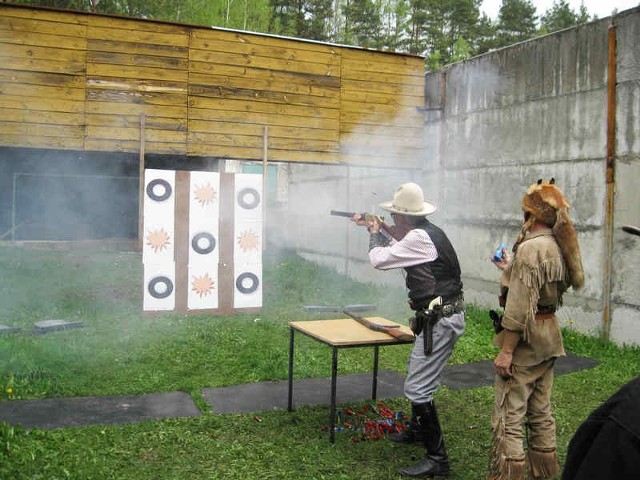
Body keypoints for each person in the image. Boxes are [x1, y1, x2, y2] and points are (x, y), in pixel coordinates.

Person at [351, 182, 465, 478]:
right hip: (438, 318)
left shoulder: (419, 237)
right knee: (418, 373)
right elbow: (399, 251)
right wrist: (375, 229)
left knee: (418, 387)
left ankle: (437, 459)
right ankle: (416, 431)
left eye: (394, 216)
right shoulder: (425, 233)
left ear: (405, 217)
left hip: (440, 320)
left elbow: (379, 260)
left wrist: (376, 232)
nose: (393, 220)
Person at [489, 179, 584, 480]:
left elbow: (517, 309)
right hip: (549, 335)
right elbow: (545, 286)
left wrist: (506, 351)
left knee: (510, 415)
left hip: (527, 341)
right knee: (541, 412)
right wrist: (511, 268)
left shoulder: (531, 249)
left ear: (531, 214)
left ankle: (510, 475)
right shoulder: (558, 244)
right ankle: (543, 473)